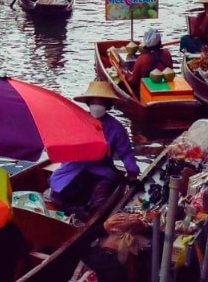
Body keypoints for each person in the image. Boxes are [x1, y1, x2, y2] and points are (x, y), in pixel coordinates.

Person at [48, 82, 140, 220]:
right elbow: (62, 145)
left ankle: (89, 216)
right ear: (89, 103)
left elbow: (126, 152)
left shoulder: (115, 127)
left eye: (100, 102)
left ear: (107, 105)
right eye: (93, 101)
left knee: (99, 203)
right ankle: (73, 211)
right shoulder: (76, 121)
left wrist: (132, 170)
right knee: (57, 196)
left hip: (101, 170)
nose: (96, 105)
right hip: (74, 168)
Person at [125, 28, 173, 93]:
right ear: (159, 42)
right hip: (166, 86)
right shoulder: (167, 52)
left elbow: (134, 80)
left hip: (147, 89)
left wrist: (126, 76)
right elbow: (171, 69)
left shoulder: (141, 58)